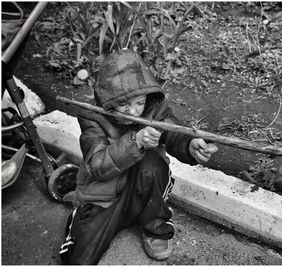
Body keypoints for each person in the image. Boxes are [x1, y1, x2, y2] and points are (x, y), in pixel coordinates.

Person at [59, 49, 218, 264]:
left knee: (152, 164)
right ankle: (89, 219)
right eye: (124, 104)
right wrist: (136, 141)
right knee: (77, 260)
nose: (133, 111)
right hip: (103, 197)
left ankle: (155, 226)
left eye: (139, 102)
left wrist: (190, 145)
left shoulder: (154, 107)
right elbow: (98, 166)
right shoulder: (92, 115)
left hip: (140, 188)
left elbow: (172, 131)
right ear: (108, 99)